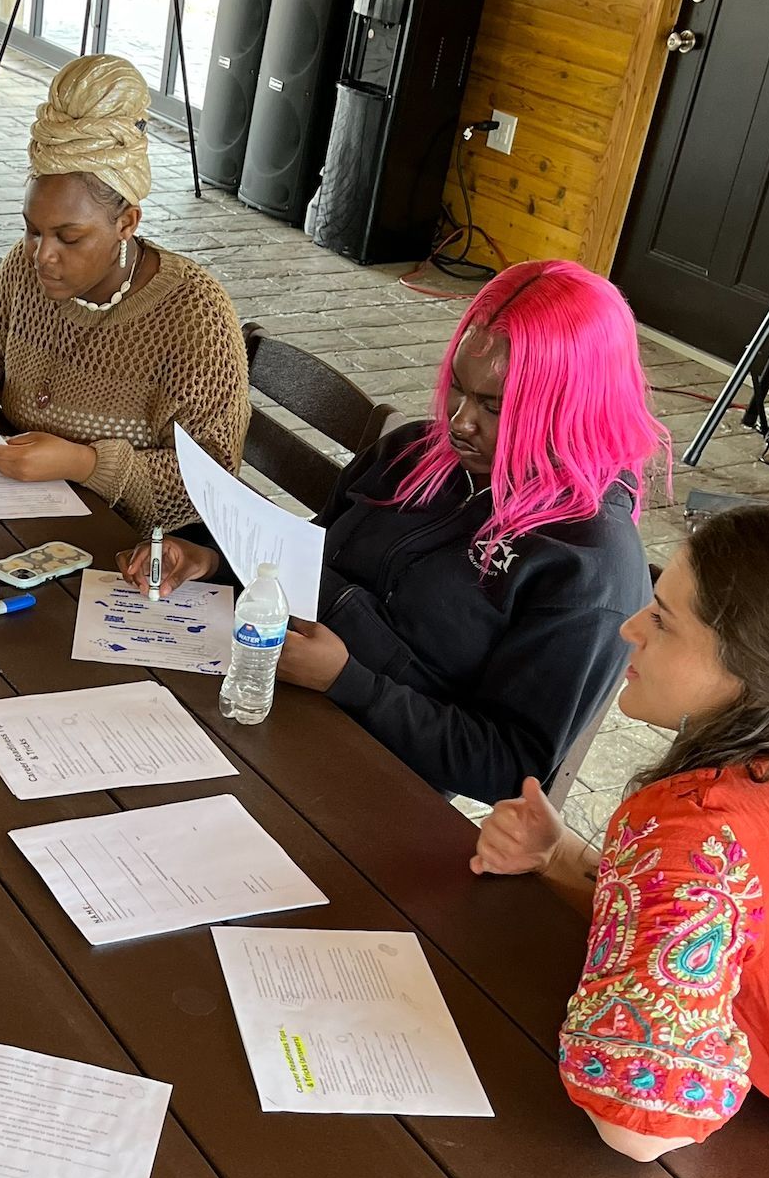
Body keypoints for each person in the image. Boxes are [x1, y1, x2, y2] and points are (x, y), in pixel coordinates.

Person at [121, 260, 669, 803]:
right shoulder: (414, 452)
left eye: (494, 406)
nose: (459, 422)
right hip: (267, 693)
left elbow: (513, 767)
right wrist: (213, 556)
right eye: (457, 388)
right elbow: (309, 559)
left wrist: (349, 682)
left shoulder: (588, 568)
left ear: (570, 407)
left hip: (374, 776)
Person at [471, 498, 769, 1155]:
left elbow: (639, 1120)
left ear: (758, 672)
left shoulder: (696, 824)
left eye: (665, 623)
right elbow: (748, 924)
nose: (630, 629)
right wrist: (561, 856)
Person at [0, 54, 250, 529]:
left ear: (126, 223)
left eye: (69, 237)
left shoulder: (193, 317)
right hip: (12, 520)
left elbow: (212, 483)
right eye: (32, 230)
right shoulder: (26, 271)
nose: (42, 255)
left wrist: (83, 464)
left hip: (123, 552)